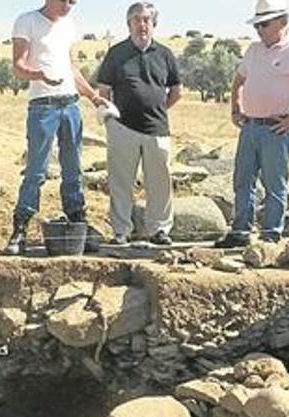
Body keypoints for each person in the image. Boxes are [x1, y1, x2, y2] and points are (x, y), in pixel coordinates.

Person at [214, 0, 289, 248]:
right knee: (243, 180)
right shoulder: (253, 50)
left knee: (275, 184)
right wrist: (235, 109)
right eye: (257, 25)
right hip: (250, 126)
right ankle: (240, 232)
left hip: (277, 129)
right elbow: (238, 81)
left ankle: (271, 236)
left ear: (283, 22)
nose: (259, 30)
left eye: (264, 24)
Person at [5, 0, 110, 255]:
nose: (70, 6)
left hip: (71, 105)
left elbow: (70, 67)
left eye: (74, 2)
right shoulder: (26, 20)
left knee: (73, 167)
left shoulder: (68, 25)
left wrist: (93, 97)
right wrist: (39, 75)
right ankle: (20, 230)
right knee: (37, 170)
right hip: (43, 105)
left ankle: (77, 223)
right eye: (67, 0)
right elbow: (18, 66)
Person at [97, 2, 183, 246]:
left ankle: (160, 230)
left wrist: (158, 109)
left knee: (160, 183)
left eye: (146, 19)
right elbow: (104, 90)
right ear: (129, 24)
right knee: (120, 183)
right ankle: (121, 232)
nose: (141, 24)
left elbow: (177, 91)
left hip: (158, 129)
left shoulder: (165, 54)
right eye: (136, 19)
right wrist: (110, 120)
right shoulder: (116, 53)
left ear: (153, 23)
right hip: (122, 128)